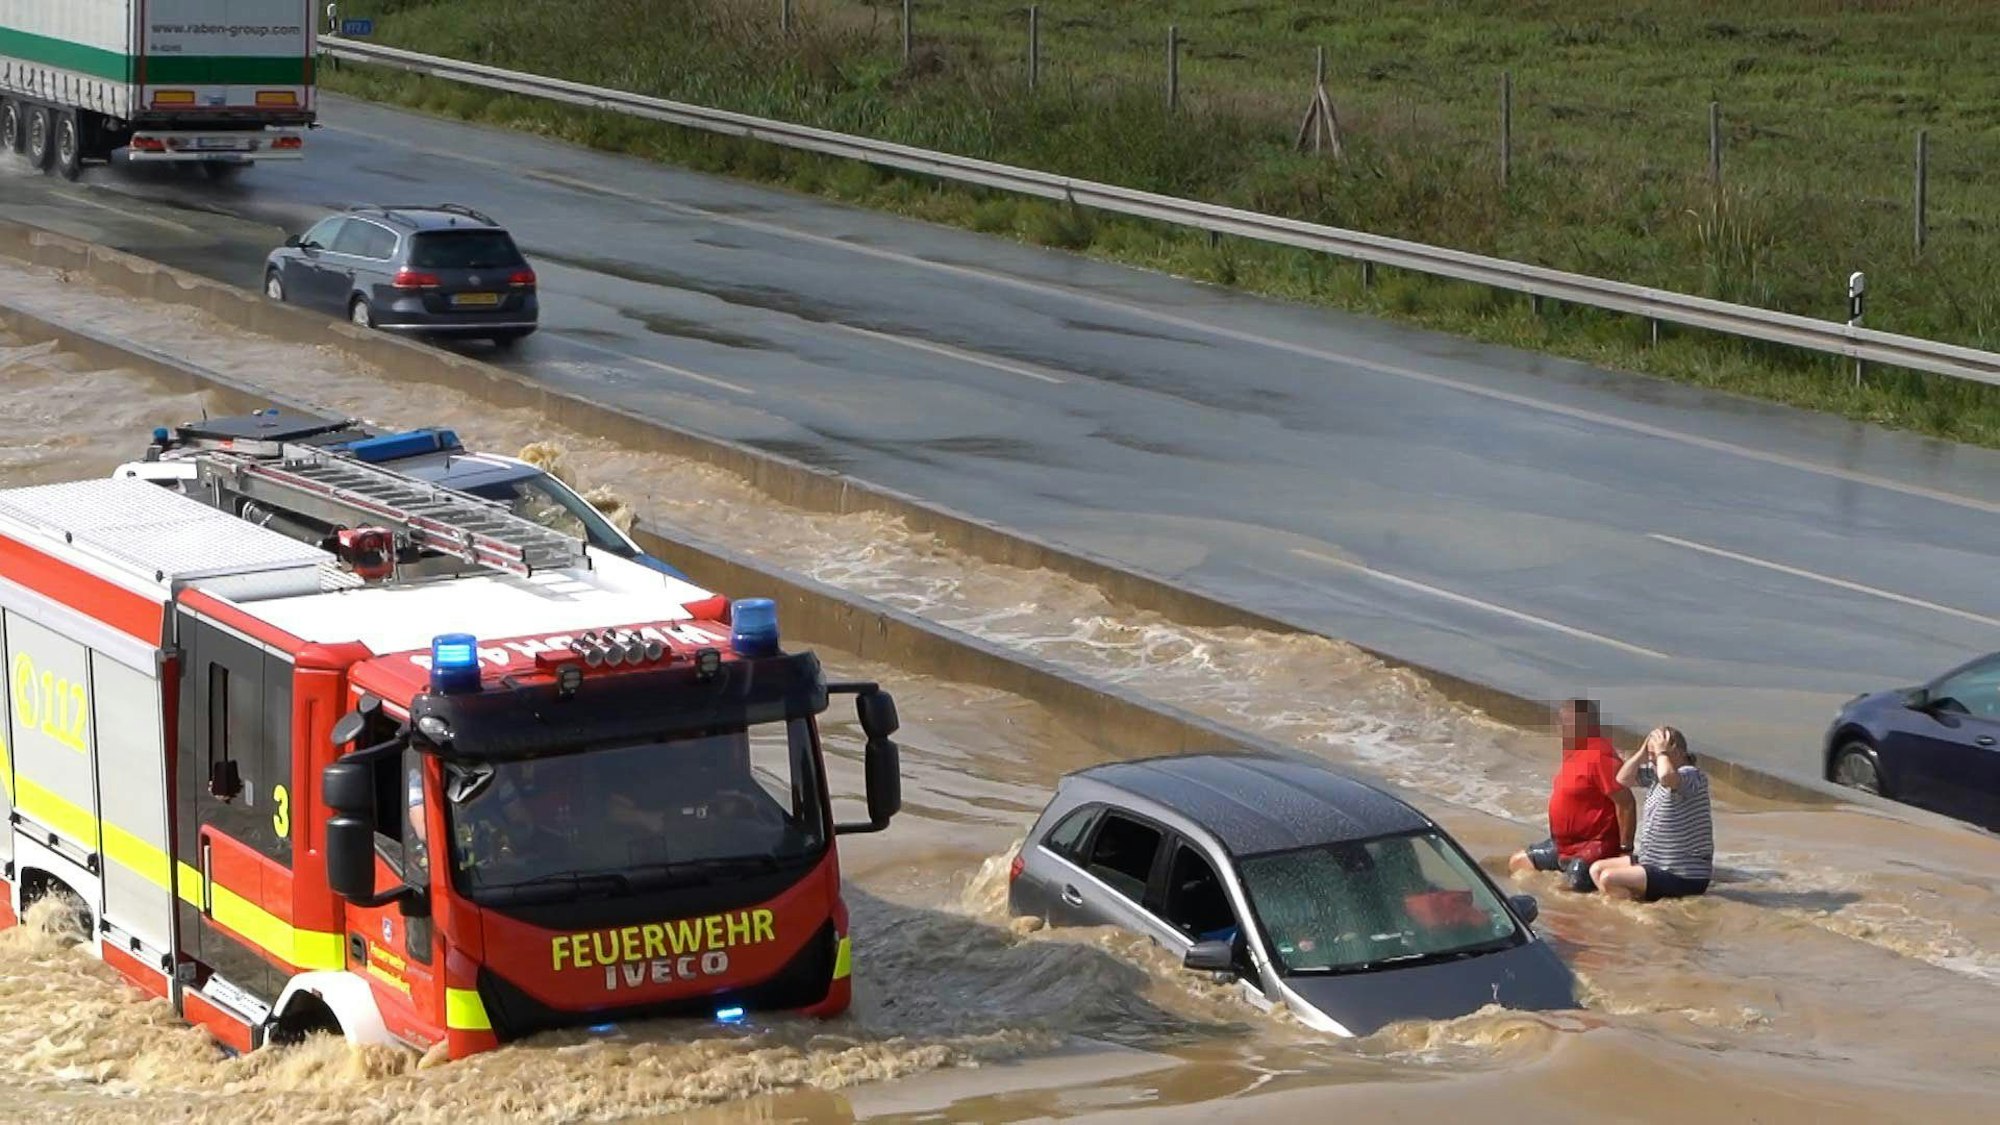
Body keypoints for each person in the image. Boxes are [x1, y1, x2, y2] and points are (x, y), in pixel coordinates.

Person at [1510, 699, 1635, 891]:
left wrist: (1625, 851)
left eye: (1567, 723)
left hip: (1594, 845)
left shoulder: (1601, 756)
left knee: (1568, 892)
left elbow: (1626, 803)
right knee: (1518, 863)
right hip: (1563, 845)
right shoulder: (1575, 751)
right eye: (1561, 722)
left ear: (1587, 725)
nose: (1561, 728)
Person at [1590, 726, 1714, 902]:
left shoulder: (1692, 776)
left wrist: (1662, 752)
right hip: (1654, 862)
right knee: (1597, 869)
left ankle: (1634, 914)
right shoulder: (1656, 774)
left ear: (1677, 752)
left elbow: (1668, 777)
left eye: (1655, 754)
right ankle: (1632, 905)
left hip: (1682, 873)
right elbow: (1622, 779)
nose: (1653, 760)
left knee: (1610, 878)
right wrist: (1642, 753)